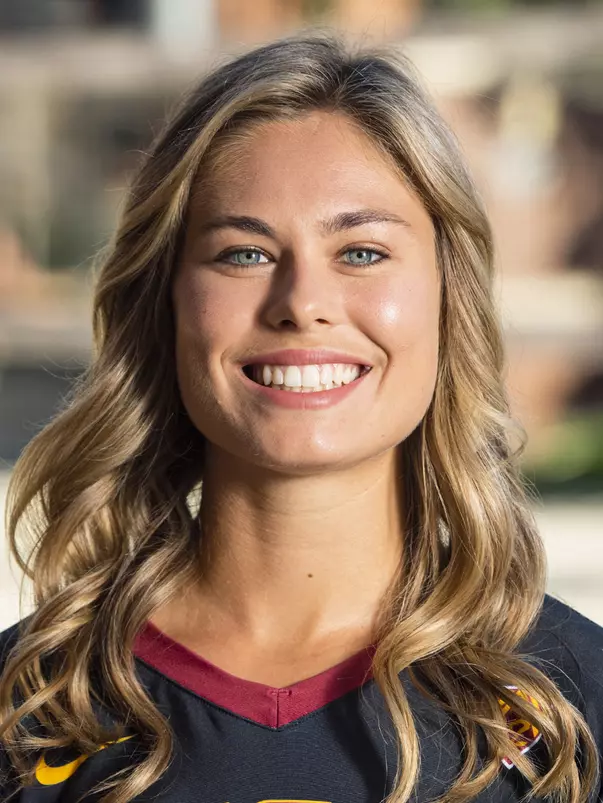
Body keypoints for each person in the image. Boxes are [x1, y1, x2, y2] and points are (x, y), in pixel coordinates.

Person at [1, 30, 602, 803]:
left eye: (360, 252)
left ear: (448, 296)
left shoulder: (570, 704)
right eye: (243, 254)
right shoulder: (34, 712)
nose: (302, 305)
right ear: (165, 304)